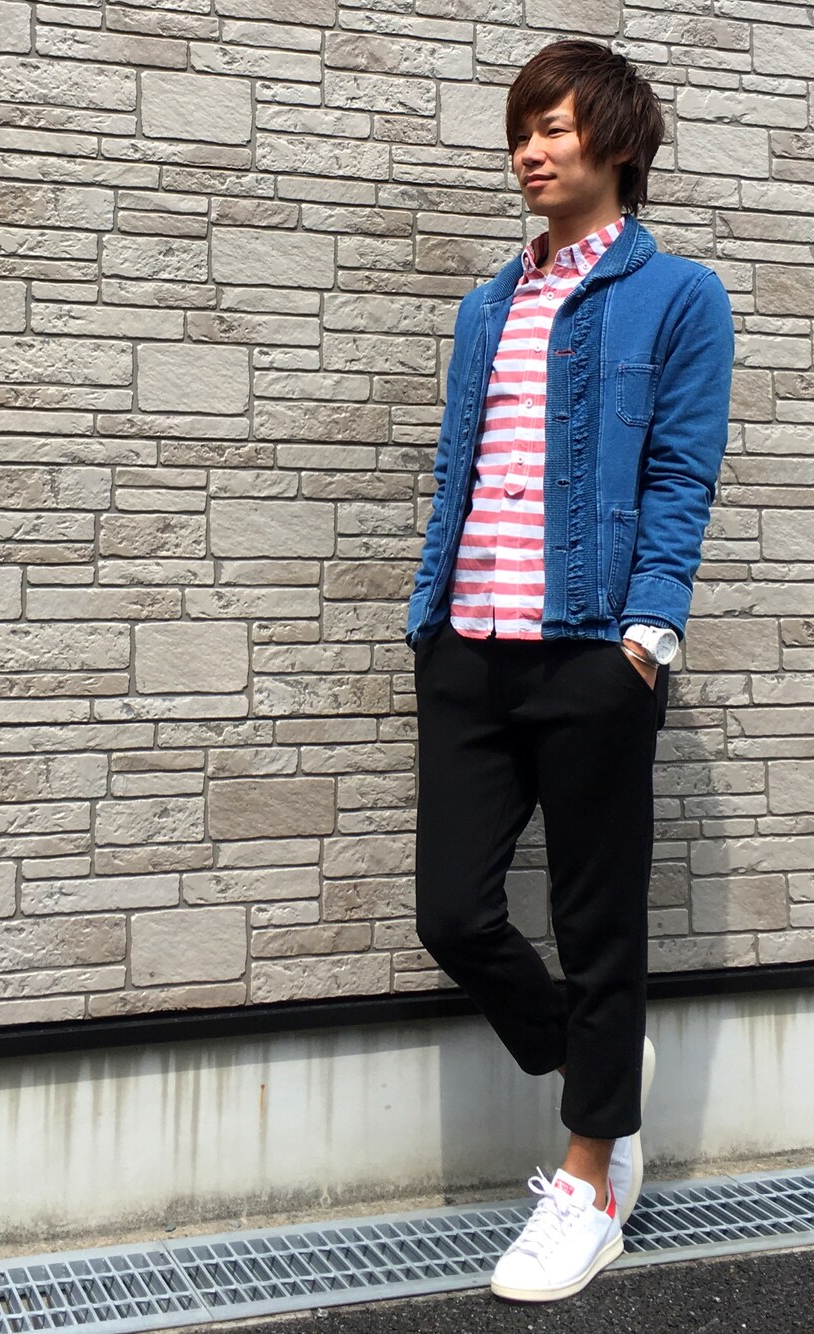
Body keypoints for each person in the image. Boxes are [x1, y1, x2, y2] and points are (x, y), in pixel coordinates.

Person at [407, 40, 734, 1303]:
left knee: (598, 924)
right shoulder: (484, 307)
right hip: (469, 648)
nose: (528, 150)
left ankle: (590, 1184)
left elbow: (679, 475)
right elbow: (461, 468)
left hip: (595, 648)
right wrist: (428, 619)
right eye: (520, 130)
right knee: (454, 912)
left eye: (551, 127)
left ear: (617, 141)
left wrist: (646, 635)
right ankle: (600, 1069)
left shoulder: (678, 297)